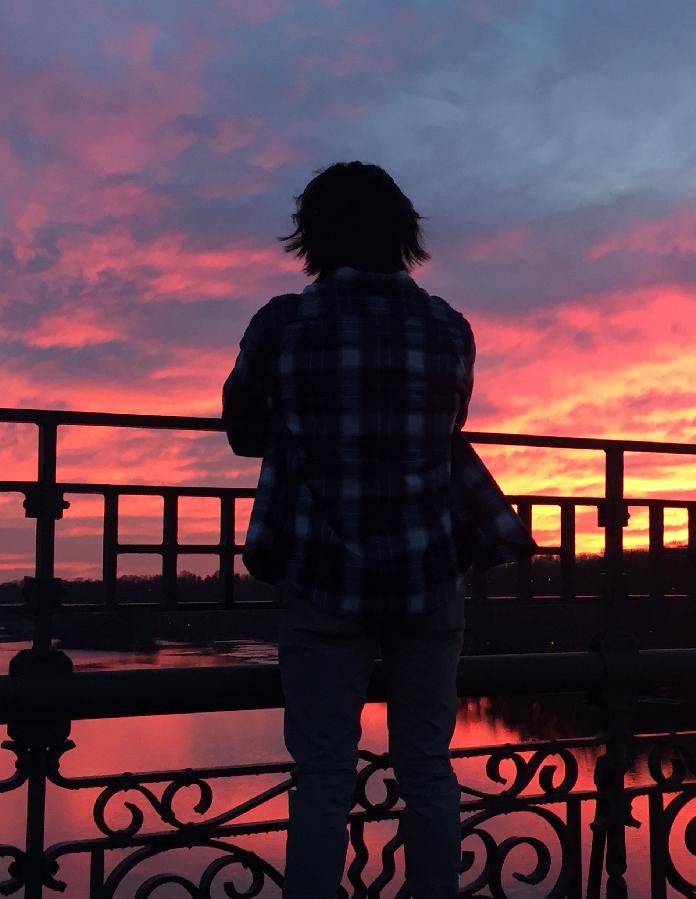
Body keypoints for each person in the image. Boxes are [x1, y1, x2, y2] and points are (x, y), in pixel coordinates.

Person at [221, 161, 535, 898]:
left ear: (314, 239)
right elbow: (444, 430)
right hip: (429, 577)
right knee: (427, 764)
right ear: (405, 236)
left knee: (323, 773)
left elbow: (242, 431)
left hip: (324, 577)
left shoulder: (283, 324)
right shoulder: (449, 328)